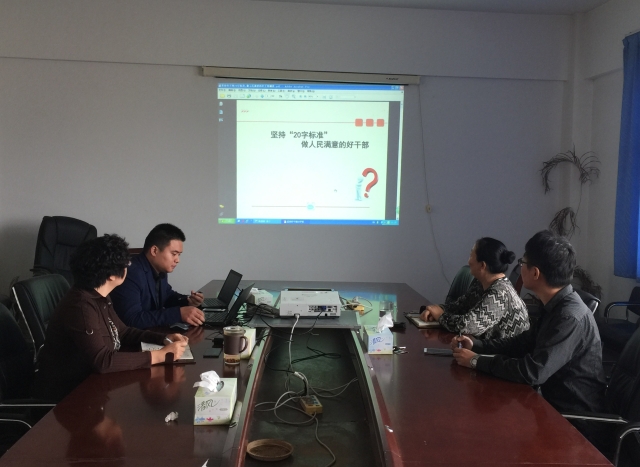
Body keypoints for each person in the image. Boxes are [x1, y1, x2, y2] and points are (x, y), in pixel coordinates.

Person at [451, 231, 606, 439]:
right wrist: (477, 345)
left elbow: (533, 372)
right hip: (548, 406)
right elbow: (522, 343)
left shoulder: (569, 317)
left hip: (574, 423)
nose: (520, 267)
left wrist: (476, 361)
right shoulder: (554, 305)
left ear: (535, 273)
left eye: (523, 262)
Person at [33, 234, 188, 403]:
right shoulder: (81, 306)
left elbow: (123, 332)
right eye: (126, 264)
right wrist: (160, 356)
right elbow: (103, 361)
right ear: (112, 275)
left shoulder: (99, 295)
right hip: (68, 398)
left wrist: (163, 338)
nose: (128, 267)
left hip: (91, 384)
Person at [420, 237, 530, 339]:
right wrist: (435, 310)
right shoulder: (481, 283)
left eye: (471, 256)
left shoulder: (500, 293)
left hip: (507, 352)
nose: (468, 261)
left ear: (482, 265)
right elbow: (460, 306)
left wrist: (440, 316)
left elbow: (468, 325)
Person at [111, 223, 205, 329]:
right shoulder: (131, 273)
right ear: (154, 251)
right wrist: (178, 314)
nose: (177, 260)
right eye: (174, 254)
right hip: (131, 337)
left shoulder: (159, 269)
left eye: (179, 255)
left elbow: (166, 295)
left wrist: (188, 301)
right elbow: (132, 319)